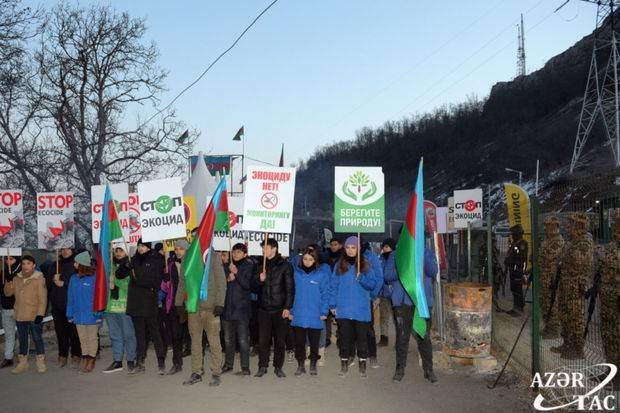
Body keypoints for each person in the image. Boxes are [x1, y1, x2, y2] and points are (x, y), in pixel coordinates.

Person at [385, 242, 438, 383]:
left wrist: (421, 254)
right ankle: (400, 369)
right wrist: (405, 267)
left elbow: (433, 271)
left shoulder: (427, 252)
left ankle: (429, 370)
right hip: (402, 303)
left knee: (424, 337)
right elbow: (388, 276)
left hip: (421, 302)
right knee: (402, 338)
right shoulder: (395, 255)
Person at [329, 236, 376, 378]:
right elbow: (333, 285)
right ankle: (344, 366)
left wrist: (361, 277)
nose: (350, 251)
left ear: (358, 249)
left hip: (361, 309)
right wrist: (332, 304)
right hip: (343, 308)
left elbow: (372, 284)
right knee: (344, 338)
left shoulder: (365, 264)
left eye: (353, 248)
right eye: (348, 248)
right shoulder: (339, 265)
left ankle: (362, 367)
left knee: (362, 339)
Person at [183, 251, 227, 386]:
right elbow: (182, 281)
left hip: (211, 308)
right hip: (193, 308)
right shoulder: (188, 256)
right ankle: (196, 372)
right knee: (195, 341)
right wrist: (179, 302)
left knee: (214, 341)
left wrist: (220, 303)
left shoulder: (213, 257)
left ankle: (216, 372)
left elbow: (221, 281)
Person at [253, 238, 295, 378]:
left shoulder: (285, 265)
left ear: (274, 249)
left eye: (265, 248)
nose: (263, 250)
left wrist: (288, 307)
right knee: (263, 340)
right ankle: (262, 366)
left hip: (279, 309)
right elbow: (252, 287)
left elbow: (290, 289)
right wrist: (260, 280)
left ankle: (278, 367)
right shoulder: (260, 264)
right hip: (263, 309)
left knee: (279, 340)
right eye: (262, 248)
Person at [126, 239, 166, 374]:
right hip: (135, 302)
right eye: (139, 246)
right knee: (139, 334)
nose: (140, 248)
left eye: (143, 246)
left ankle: (161, 362)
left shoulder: (156, 259)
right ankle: (140, 362)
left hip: (149, 302)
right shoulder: (133, 260)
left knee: (155, 332)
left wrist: (138, 280)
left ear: (148, 247)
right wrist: (127, 265)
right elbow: (120, 274)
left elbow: (155, 281)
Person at [3, 255, 47, 374]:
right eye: (23, 263)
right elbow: (8, 294)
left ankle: (40, 361)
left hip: (34, 314)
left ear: (33, 265)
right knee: (22, 339)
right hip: (20, 314)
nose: (25, 266)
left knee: (37, 338)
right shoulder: (16, 277)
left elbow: (42, 298)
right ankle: (23, 363)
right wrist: (8, 280)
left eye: (28, 263)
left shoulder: (38, 277)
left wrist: (40, 314)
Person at [290, 248, 330, 376]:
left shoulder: (321, 275)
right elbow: (290, 293)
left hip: (315, 313)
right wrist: (290, 310)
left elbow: (325, 294)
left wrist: (324, 311)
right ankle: (300, 364)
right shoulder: (295, 274)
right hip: (299, 313)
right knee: (300, 342)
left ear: (315, 260)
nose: (307, 262)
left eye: (310, 259)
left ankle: (313, 364)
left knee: (314, 342)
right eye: (305, 259)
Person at [44, 248, 82, 368]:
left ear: (72, 250)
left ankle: (76, 355)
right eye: (62, 249)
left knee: (73, 332)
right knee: (60, 331)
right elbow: (47, 285)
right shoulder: (55, 265)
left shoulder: (76, 264)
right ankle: (62, 355)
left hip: (72, 304)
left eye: (68, 249)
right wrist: (52, 279)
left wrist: (64, 283)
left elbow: (80, 282)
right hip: (57, 304)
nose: (65, 251)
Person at [103, 246, 137, 374]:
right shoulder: (109, 266)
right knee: (115, 335)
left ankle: (131, 360)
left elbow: (132, 286)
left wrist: (115, 282)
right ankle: (117, 361)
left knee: (128, 334)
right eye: (116, 251)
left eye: (121, 250)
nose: (118, 253)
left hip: (124, 307)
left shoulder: (130, 266)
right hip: (110, 307)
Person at [221, 243, 254, 376]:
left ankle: (245, 368)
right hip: (227, 308)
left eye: (239, 252)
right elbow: (219, 284)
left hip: (241, 310)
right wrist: (227, 279)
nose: (235, 254)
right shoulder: (226, 265)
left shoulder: (249, 266)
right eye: (234, 252)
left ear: (245, 254)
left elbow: (248, 285)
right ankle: (228, 365)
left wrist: (237, 273)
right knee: (228, 340)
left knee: (242, 340)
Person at [66, 251, 101, 373]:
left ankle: (91, 360)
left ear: (82, 264)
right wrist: (69, 314)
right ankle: (86, 357)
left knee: (92, 338)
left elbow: (99, 297)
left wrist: (99, 312)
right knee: (82, 338)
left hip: (92, 314)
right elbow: (70, 297)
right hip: (78, 315)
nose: (74, 264)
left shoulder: (94, 278)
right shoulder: (73, 278)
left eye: (76, 262)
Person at [159, 239, 189, 375]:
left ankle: (198, 364)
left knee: (194, 335)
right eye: (176, 249)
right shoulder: (170, 264)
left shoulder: (192, 262)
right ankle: (177, 363)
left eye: (181, 249)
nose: (178, 251)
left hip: (189, 303)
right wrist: (165, 280)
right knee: (175, 335)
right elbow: (166, 286)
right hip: (174, 304)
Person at [504, 224, 528, 317]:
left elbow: (521, 258)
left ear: (518, 233)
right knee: (514, 288)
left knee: (517, 289)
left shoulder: (522, 243)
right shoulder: (515, 243)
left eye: (513, 233)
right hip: (513, 270)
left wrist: (510, 261)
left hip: (518, 270)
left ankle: (519, 308)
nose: (512, 235)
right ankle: (515, 307)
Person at [323, 237, 343, 348]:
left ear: (340, 245)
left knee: (339, 316)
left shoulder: (343, 258)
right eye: (331, 245)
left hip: (339, 290)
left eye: (335, 244)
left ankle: (340, 337)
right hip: (328, 288)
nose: (333, 247)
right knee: (327, 315)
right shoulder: (326, 256)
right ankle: (327, 337)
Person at [0, 255, 20, 368]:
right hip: (6, 308)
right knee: (9, 334)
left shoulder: (21, 271)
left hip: (18, 308)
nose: (8, 261)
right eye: (5, 259)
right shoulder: (3, 271)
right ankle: (8, 357)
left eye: (10, 259)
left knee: (23, 334)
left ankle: (23, 357)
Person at [378, 239, 396, 347]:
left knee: (396, 319)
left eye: (387, 246)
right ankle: (383, 338)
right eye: (383, 246)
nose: (384, 249)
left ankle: (399, 341)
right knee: (383, 317)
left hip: (394, 294)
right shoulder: (381, 259)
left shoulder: (396, 258)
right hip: (384, 293)